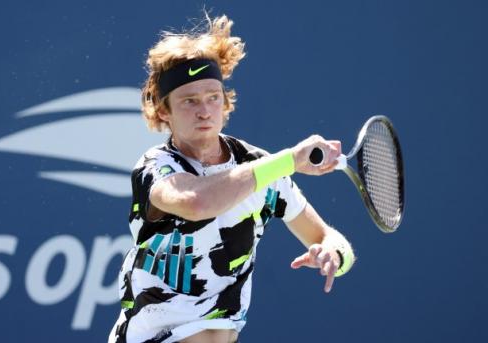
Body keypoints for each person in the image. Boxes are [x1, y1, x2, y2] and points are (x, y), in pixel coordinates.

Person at [109, 13, 355, 343]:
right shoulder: (156, 167)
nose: (205, 110)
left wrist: (334, 255)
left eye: (213, 97)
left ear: (225, 102)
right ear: (163, 111)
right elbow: (197, 202)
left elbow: (327, 238)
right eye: (189, 100)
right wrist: (288, 160)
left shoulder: (260, 167)